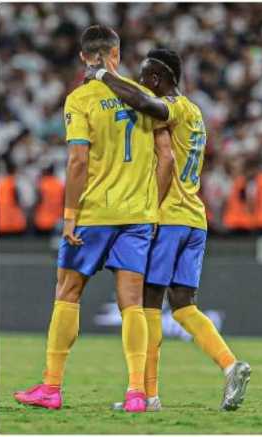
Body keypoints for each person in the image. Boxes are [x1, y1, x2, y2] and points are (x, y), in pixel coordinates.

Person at [14, 25, 174, 413]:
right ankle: (137, 392)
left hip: (93, 213)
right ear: (116, 55)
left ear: (85, 57)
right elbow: (167, 157)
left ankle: (51, 387)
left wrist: (69, 218)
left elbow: (78, 160)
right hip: (137, 214)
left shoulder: (80, 99)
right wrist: (152, 207)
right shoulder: (145, 98)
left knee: (67, 293)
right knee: (132, 304)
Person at [95, 48, 251, 411]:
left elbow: (151, 120)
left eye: (145, 75)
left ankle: (148, 395)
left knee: (149, 304)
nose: (141, 81)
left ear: (156, 78)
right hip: (195, 219)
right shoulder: (196, 111)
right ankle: (231, 365)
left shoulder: (174, 107)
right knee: (182, 306)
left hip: (169, 218)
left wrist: (105, 76)